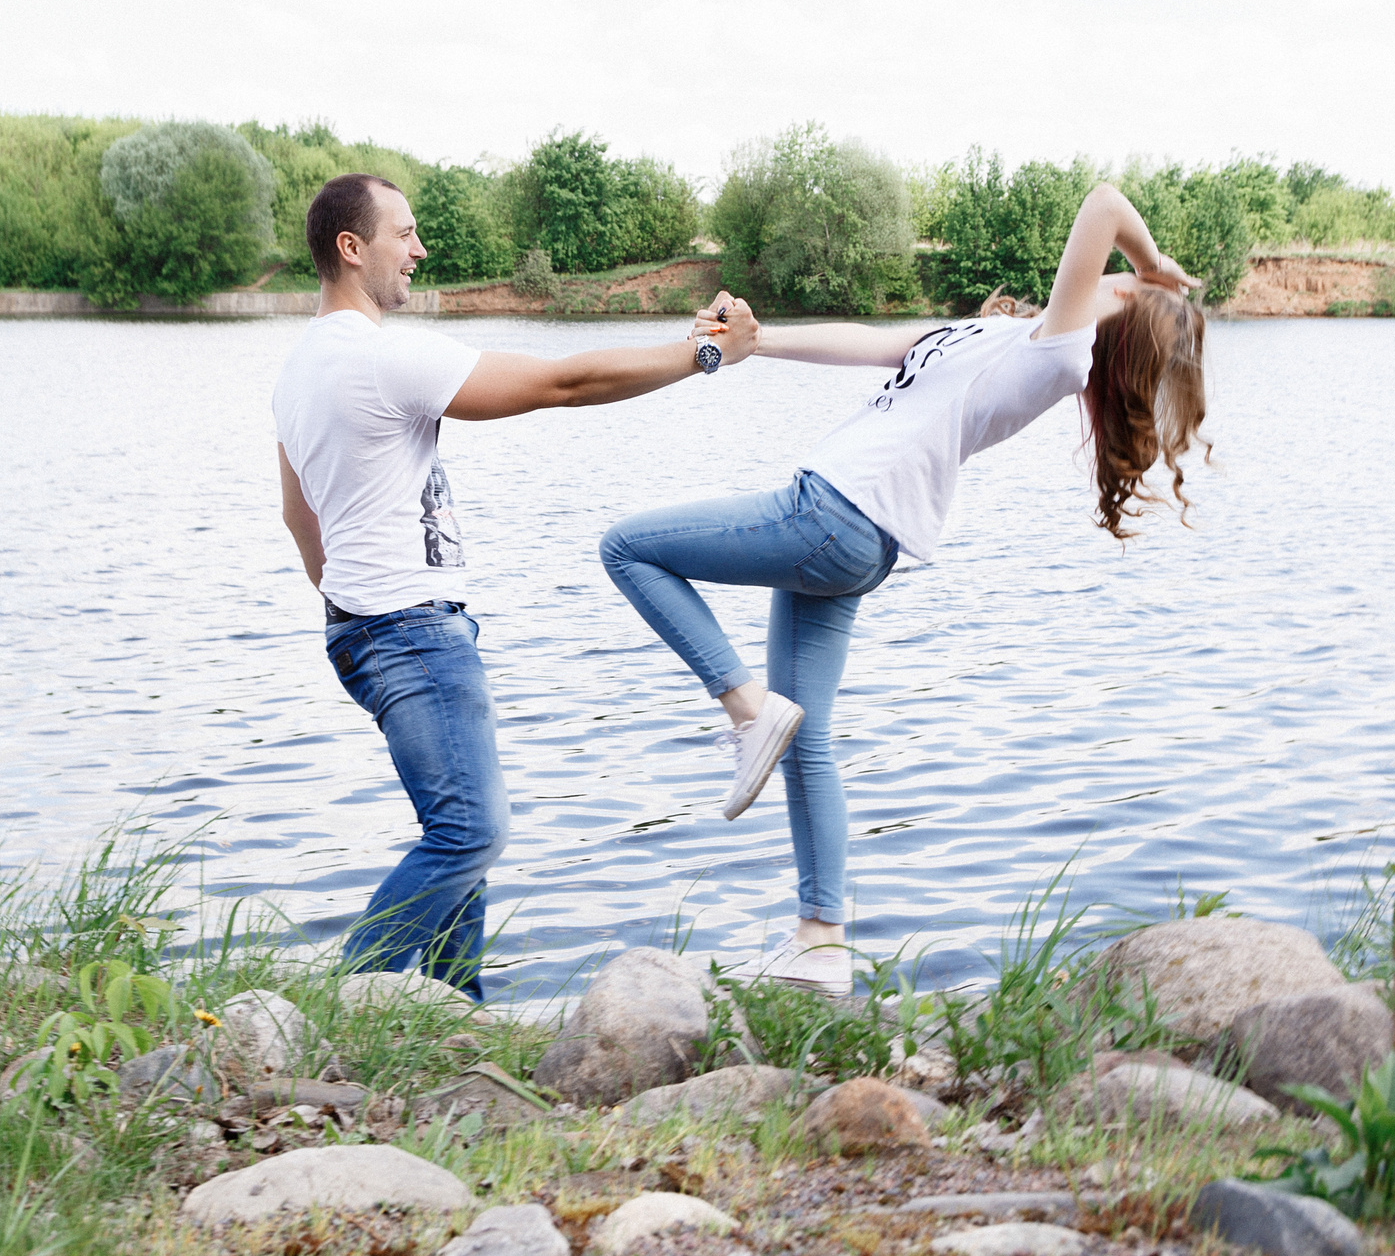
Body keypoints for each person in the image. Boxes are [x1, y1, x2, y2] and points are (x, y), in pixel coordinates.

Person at [597, 182, 1209, 995]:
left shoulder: (1057, 354)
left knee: (629, 548)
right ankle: (821, 943)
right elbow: (870, 343)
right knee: (806, 739)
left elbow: (1102, 205)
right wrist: (757, 342)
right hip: (861, 536)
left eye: (1115, 291)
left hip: (833, 510)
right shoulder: (991, 338)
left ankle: (744, 709)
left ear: (1112, 312)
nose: (1104, 283)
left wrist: (1150, 263)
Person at [273, 172, 760, 1000]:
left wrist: (351, 605)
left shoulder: (296, 372)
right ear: (351, 250)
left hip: (360, 628)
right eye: (405, 234)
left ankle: (450, 1014)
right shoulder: (386, 357)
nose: (421, 251)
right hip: (409, 628)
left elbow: (298, 518)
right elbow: (561, 384)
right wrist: (704, 353)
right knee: (471, 831)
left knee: (453, 830)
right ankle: (338, 1007)